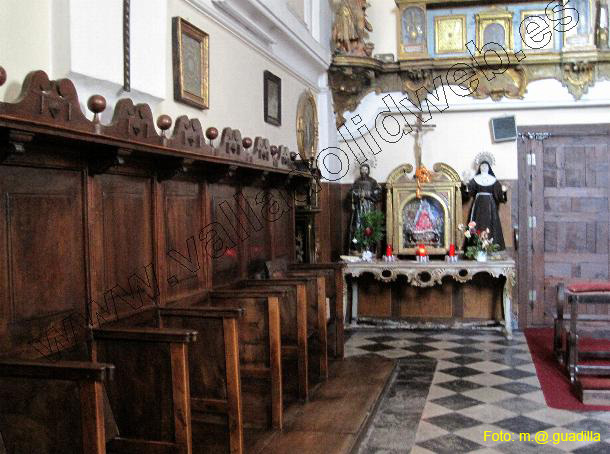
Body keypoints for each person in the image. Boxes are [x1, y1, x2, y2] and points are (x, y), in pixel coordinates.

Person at [464, 161, 507, 250]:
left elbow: (500, 195)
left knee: (491, 223)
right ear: (479, 167)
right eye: (482, 166)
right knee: (476, 223)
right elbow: (469, 192)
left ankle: (491, 246)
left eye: (486, 166)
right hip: (478, 205)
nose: (484, 167)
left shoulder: (493, 180)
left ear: (489, 167)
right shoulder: (476, 179)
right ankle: (476, 246)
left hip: (490, 205)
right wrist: (466, 185)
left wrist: (503, 192)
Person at [348, 163, 381, 252]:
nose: (364, 171)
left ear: (368, 171)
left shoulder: (373, 181)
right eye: (362, 169)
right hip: (359, 208)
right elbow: (351, 193)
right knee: (357, 226)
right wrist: (358, 194)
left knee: (369, 226)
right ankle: (356, 248)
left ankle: (369, 248)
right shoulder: (357, 182)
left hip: (369, 207)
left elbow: (378, 192)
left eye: (366, 169)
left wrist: (368, 194)